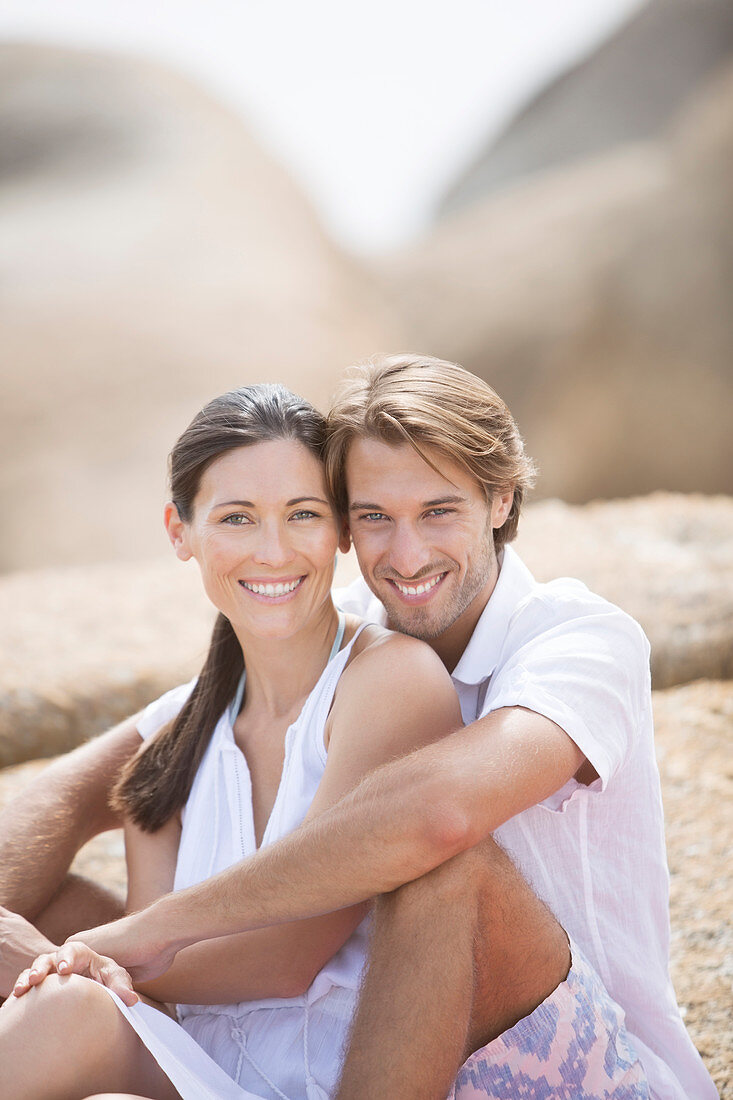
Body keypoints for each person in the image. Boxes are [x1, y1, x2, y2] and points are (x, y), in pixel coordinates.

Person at [1, 355, 716, 1099]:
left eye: (438, 510)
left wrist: (147, 934)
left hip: (564, 1053)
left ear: (500, 500)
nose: (405, 557)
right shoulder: (322, 631)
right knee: (52, 924)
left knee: (438, 860)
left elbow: (436, 816)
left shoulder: (577, 640)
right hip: (374, 1038)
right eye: (374, 516)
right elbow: (81, 787)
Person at [0, 381, 464, 1098]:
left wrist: (68, 959)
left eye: (302, 514)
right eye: (236, 519)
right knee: (57, 953)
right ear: (179, 533)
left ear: (341, 528)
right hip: (193, 1064)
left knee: (65, 1004)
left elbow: (290, 952)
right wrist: (61, 953)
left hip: (320, 1075)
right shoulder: (175, 741)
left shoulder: (390, 681)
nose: (272, 551)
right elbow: (162, 996)